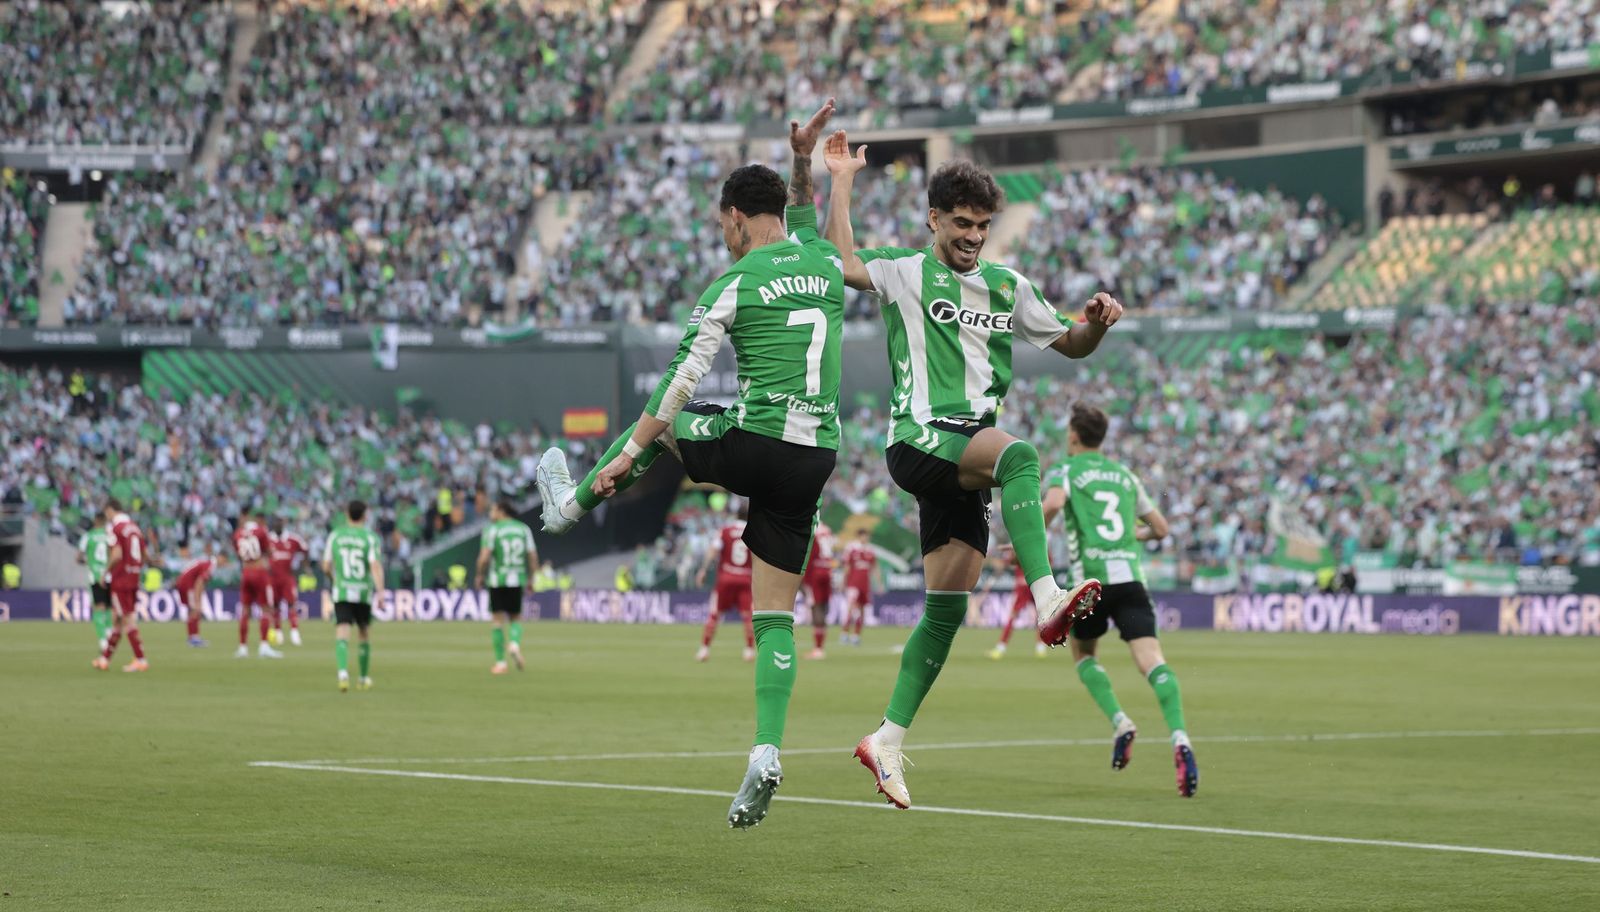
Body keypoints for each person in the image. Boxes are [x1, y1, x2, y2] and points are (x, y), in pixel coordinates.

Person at [535, 100, 844, 829]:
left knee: (665, 419)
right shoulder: (825, 260)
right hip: (816, 458)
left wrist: (634, 454)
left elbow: (679, 384)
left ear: (738, 215)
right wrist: (803, 160)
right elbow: (804, 211)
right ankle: (766, 751)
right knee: (775, 618)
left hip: (760, 439)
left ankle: (571, 502)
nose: (723, 237)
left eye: (722, 224)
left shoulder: (732, 284)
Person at [822, 129, 1119, 810]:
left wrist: (1098, 323)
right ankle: (1047, 595)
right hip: (922, 438)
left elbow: (1071, 343)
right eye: (961, 224)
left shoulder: (1006, 286)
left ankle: (886, 739)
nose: (973, 237)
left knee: (946, 611)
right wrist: (840, 179)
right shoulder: (903, 269)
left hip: (961, 458)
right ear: (934, 219)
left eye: (983, 226)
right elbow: (842, 261)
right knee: (1020, 455)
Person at [1042, 404, 1195, 797]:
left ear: (1074, 435)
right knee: (1153, 662)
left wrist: (1029, 534)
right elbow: (1160, 529)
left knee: (1085, 657)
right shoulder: (1125, 476)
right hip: (1130, 580)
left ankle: (1121, 721)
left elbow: (1055, 504)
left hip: (1090, 585)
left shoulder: (1065, 469)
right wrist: (1130, 540)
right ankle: (1179, 737)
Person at [323, 500, 384, 692]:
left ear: (347, 514)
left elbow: (325, 565)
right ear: (365, 515)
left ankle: (343, 674)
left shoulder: (335, 536)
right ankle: (363, 678)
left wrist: (334, 579)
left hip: (342, 590)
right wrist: (381, 592)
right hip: (363, 591)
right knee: (364, 632)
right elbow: (374, 565)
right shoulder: (370, 537)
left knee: (342, 629)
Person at [475, 500, 538, 674]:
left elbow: (484, 557)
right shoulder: (523, 529)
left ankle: (501, 663)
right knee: (516, 618)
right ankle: (515, 644)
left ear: (501, 511)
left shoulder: (492, 530)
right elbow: (532, 556)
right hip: (517, 579)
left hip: (497, 580)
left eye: (493, 510)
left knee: (497, 621)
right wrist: (532, 578)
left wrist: (480, 575)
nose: (490, 514)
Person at [92, 501, 149, 672]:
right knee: (117, 619)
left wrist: (105, 573)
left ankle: (140, 659)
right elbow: (144, 554)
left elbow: (116, 554)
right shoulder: (135, 528)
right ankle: (104, 660)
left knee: (127, 620)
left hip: (121, 579)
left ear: (110, 510)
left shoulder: (115, 528)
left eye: (107, 513)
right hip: (133, 577)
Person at [695, 505, 756, 663]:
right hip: (746, 578)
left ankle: (704, 649)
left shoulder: (725, 530)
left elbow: (713, 550)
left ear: (735, 514)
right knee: (748, 616)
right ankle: (749, 651)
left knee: (715, 614)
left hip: (726, 577)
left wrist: (703, 570)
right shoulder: (754, 531)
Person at [983, 545, 1048, 659]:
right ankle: (1040, 648)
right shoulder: (1036, 545)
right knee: (1041, 616)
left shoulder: (1020, 546)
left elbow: (1007, 562)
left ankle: (1000, 648)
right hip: (1035, 585)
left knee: (1013, 617)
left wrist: (1011, 549)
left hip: (1024, 587)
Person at [233, 509, 281, 659]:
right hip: (259, 572)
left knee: (245, 611)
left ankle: (242, 647)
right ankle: (264, 646)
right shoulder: (261, 531)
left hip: (245, 572)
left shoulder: (238, 534)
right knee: (266, 609)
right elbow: (269, 551)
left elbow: (238, 553)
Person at [268, 518, 309, 646]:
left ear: (283, 525)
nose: (277, 526)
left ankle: (294, 632)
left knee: (292, 604)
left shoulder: (293, 539)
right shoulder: (268, 539)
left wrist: (302, 566)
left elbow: (305, 549)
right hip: (272, 578)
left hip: (287, 577)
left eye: (279, 523)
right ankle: (278, 632)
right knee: (275, 606)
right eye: (275, 524)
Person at [176, 551, 227, 647]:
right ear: (220, 557)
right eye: (224, 561)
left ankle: (192, 637)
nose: (223, 564)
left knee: (192, 610)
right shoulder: (211, 565)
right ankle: (194, 638)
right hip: (187, 585)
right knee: (195, 610)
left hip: (182, 582)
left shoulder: (207, 562)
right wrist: (198, 600)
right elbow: (199, 583)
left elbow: (200, 582)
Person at [839, 526, 880, 646]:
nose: (866, 538)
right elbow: (847, 567)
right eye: (864, 535)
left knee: (862, 609)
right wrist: (843, 582)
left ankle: (856, 635)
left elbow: (875, 568)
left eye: (867, 535)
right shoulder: (852, 548)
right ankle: (844, 633)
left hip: (865, 585)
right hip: (853, 583)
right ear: (859, 536)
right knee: (851, 608)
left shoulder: (870, 550)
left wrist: (879, 583)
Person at [801, 521, 835, 659]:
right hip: (827, 570)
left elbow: (809, 554)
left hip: (815, 571)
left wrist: (805, 579)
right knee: (822, 606)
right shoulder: (827, 529)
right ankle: (820, 647)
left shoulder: (811, 528)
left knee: (816, 607)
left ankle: (818, 649)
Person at [78, 521, 113, 651]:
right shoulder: (109, 535)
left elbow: (78, 557)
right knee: (109, 607)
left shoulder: (88, 536)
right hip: (109, 575)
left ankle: (103, 642)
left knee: (98, 608)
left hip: (95, 577)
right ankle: (110, 637)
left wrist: (89, 561)